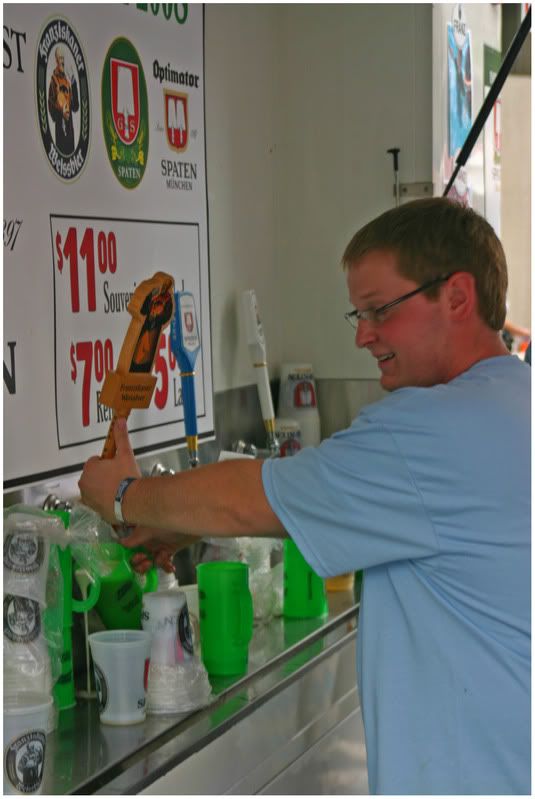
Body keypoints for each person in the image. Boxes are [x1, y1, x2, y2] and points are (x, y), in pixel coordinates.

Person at [79, 198, 530, 795]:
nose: (363, 335)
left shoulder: (434, 429)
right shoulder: (511, 401)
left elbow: (251, 498)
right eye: (358, 314)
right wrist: (182, 522)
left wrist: (123, 495)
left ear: (457, 296)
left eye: (380, 310)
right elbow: (316, 503)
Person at [48, 46, 79, 156]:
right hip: (61, 133)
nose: (62, 61)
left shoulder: (67, 82)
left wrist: (73, 82)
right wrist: (61, 111)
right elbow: (51, 110)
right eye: (60, 58)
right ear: (56, 60)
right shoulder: (53, 81)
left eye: (63, 58)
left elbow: (75, 107)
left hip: (70, 133)